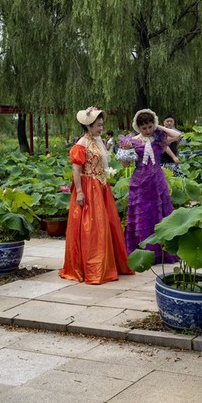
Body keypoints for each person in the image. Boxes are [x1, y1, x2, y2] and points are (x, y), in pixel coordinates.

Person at [59, 106, 133, 284]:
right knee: (92, 227)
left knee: (106, 224)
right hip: (87, 187)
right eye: (98, 125)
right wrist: (79, 192)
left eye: (101, 125)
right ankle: (92, 268)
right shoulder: (81, 144)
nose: (101, 128)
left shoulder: (97, 141)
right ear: (88, 126)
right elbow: (76, 170)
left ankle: (108, 264)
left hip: (101, 187)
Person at [122, 109, 182, 263]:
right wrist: (127, 149)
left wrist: (159, 127)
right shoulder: (133, 141)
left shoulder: (159, 138)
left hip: (157, 181)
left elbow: (177, 135)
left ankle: (162, 251)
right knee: (142, 213)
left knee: (161, 213)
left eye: (150, 126)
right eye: (144, 128)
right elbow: (125, 164)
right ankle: (144, 251)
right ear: (138, 127)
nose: (148, 130)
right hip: (140, 183)